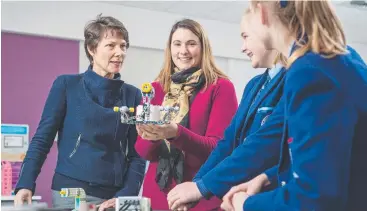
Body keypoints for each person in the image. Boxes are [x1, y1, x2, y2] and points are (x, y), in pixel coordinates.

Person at [215, 1, 367, 211]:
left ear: (262, 12)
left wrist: (245, 204)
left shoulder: (309, 71)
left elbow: (314, 198)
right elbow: (333, 157)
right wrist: (268, 177)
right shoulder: (342, 56)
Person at [14, 14, 146, 211]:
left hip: (113, 197)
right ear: (92, 49)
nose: (119, 52)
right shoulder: (66, 85)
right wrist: (25, 182)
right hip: (70, 193)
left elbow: (138, 153)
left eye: (123, 46)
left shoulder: (133, 95)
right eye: (111, 45)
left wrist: (125, 195)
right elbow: (43, 138)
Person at [167, 11, 288, 210]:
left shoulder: (294, 79)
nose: (242, 48)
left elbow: (262, 146)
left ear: (267, 32)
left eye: (246, 37)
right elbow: (229, 141)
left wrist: (202, 186)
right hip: (244, 194)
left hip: (273, 197)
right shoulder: (255, 85)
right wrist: (198, 184)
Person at [134, 18, 238, 210]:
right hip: (159, 196)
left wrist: (175, 133)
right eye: (177, 44)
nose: (183, 51)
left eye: (191, 44)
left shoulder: (220, 87)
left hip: (201, 196)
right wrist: (152, 135)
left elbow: (219, 148)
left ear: (203, 48)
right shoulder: (156, 88)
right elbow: (143, 152)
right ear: (170, 48)